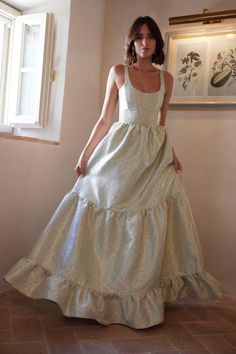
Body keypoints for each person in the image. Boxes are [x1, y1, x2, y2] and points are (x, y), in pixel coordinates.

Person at [4, 16, 224, 329]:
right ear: (132, 42)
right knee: (100, 214)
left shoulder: (168, 79)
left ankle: (134, 296)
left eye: (150, 37)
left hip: (153, 160)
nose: (145, 42)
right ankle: (98, 295)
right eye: (139, 37)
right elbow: (105, 119)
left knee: (147, 226)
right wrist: (85, 153)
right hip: (119, 155)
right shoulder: (119, 72)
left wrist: (172, 155)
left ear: (158, 43)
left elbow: (160, 126)